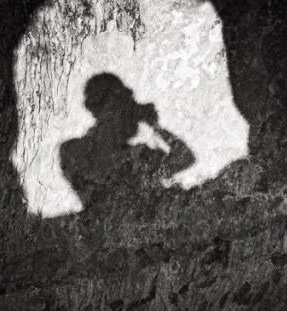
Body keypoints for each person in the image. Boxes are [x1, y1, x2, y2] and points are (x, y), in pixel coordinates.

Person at [60, 73, 194, 213]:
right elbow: (96, 173)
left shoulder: (141, 156)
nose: (134, 111)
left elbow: (185, 158)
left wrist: (156, 126)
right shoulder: (73, 150)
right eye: (129, 103)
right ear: (110, 109)